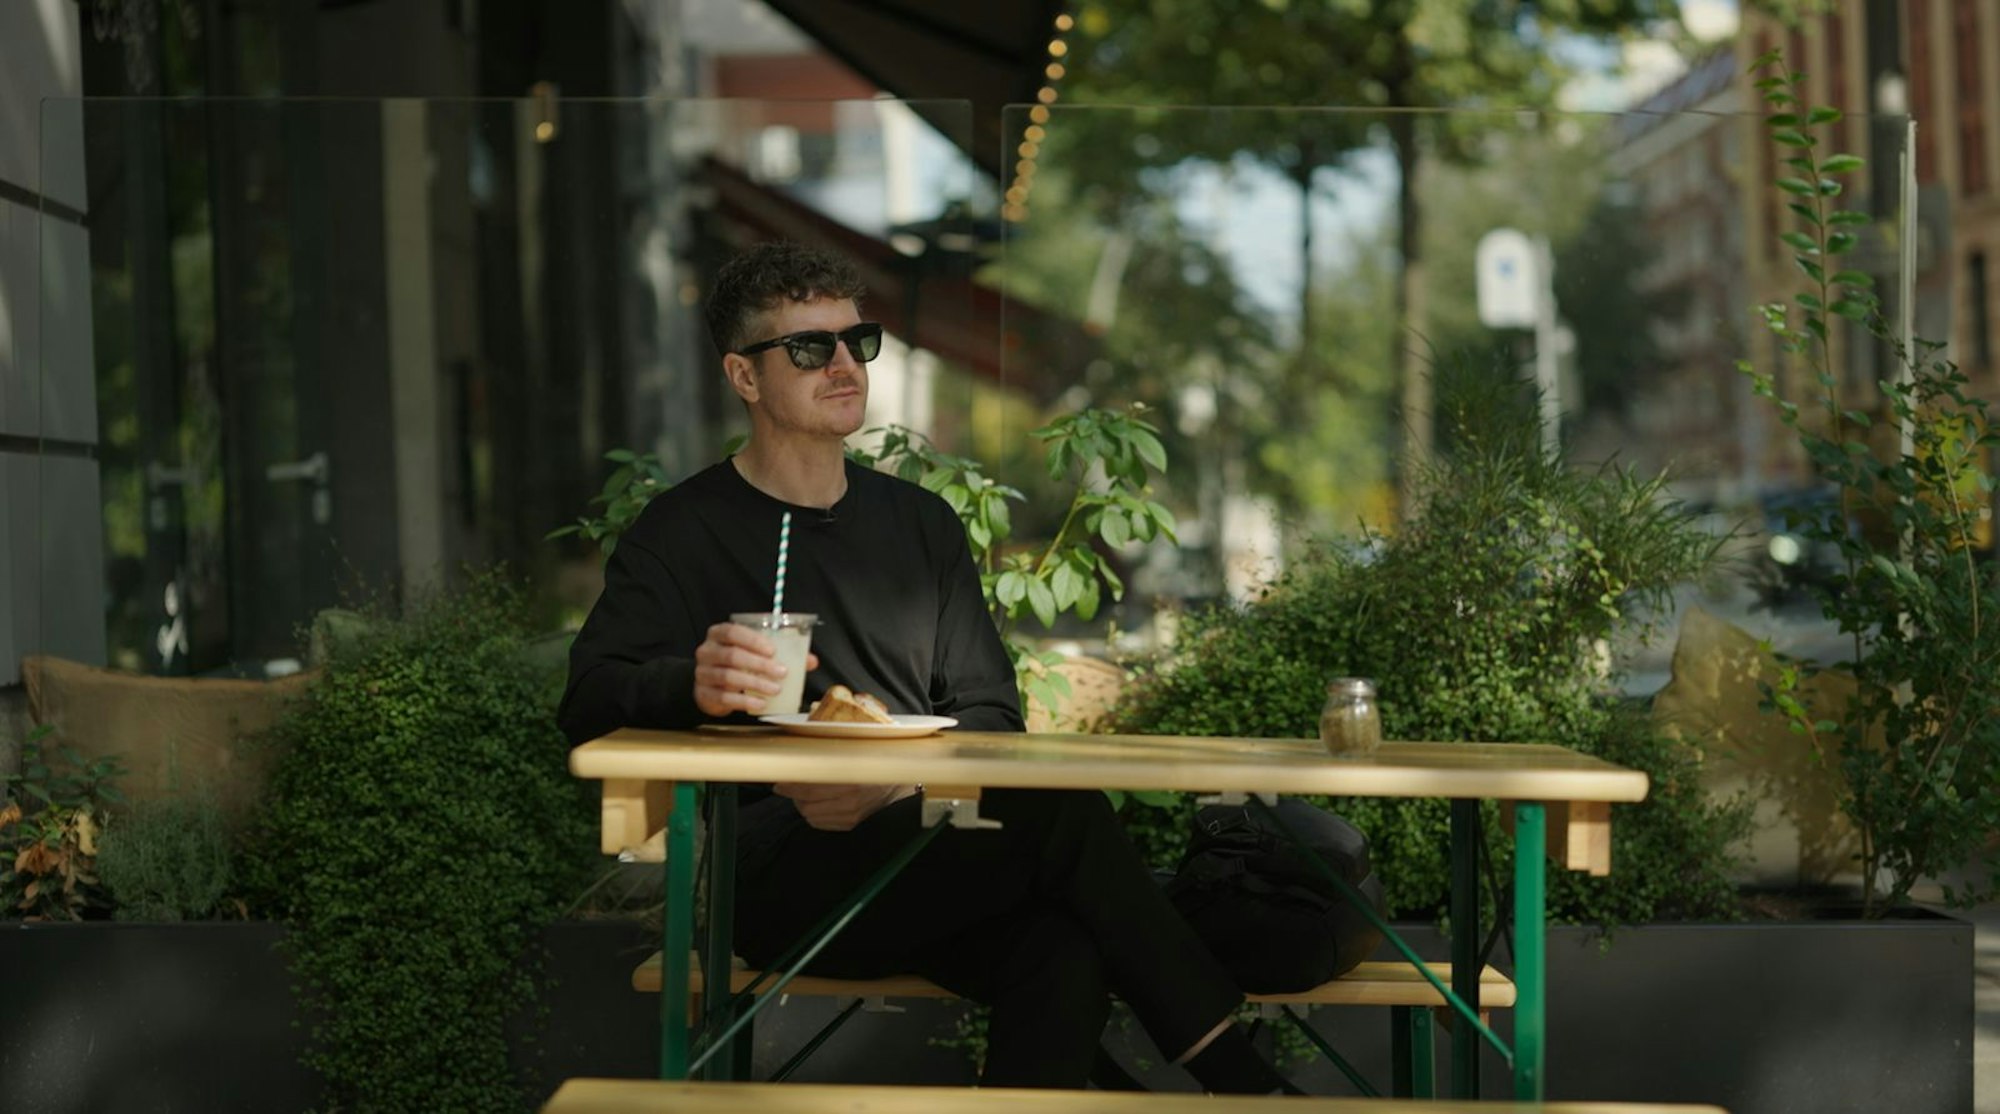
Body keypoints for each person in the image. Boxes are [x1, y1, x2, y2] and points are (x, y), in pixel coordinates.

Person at [558, 240, 1295, 1094]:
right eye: (809, 348)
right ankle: (1242, 1080)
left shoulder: (921, 526)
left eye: (855, 342)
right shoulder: (682, 530)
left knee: (1059, 952)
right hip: (778, 880)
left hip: (931, 853)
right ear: (744, 377)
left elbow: (991, 713)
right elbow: (587, 695)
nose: (843, 365)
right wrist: (691, 681)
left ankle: (1218, 1088)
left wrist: (899, 788)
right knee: (1060, 815)